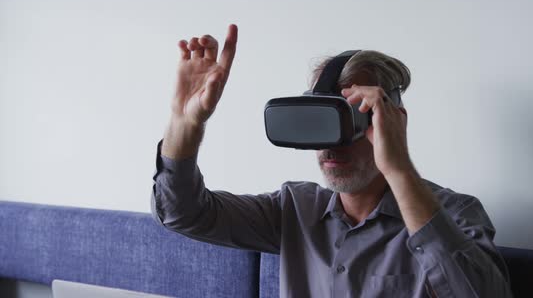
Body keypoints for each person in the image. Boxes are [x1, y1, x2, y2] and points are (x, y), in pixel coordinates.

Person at [150, 24, 513, 298]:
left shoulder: (456, 214)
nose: (332, 144)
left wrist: (399, 169)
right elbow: (181, 213)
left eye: (351, 118)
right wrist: (186, 124)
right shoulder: (295, 209)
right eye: (322, 118)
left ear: (390, 122)